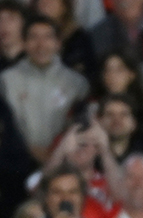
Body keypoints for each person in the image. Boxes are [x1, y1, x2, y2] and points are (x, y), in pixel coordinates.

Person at [1, 15, 89, 163]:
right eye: (33, 37)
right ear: (24, 43)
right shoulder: (6, 80)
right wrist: (28, 148)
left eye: (48, 37)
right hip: (16, 161)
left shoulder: (77, 83)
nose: (41, 44)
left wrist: (57, 151)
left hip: (64, 161)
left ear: (58, 43)